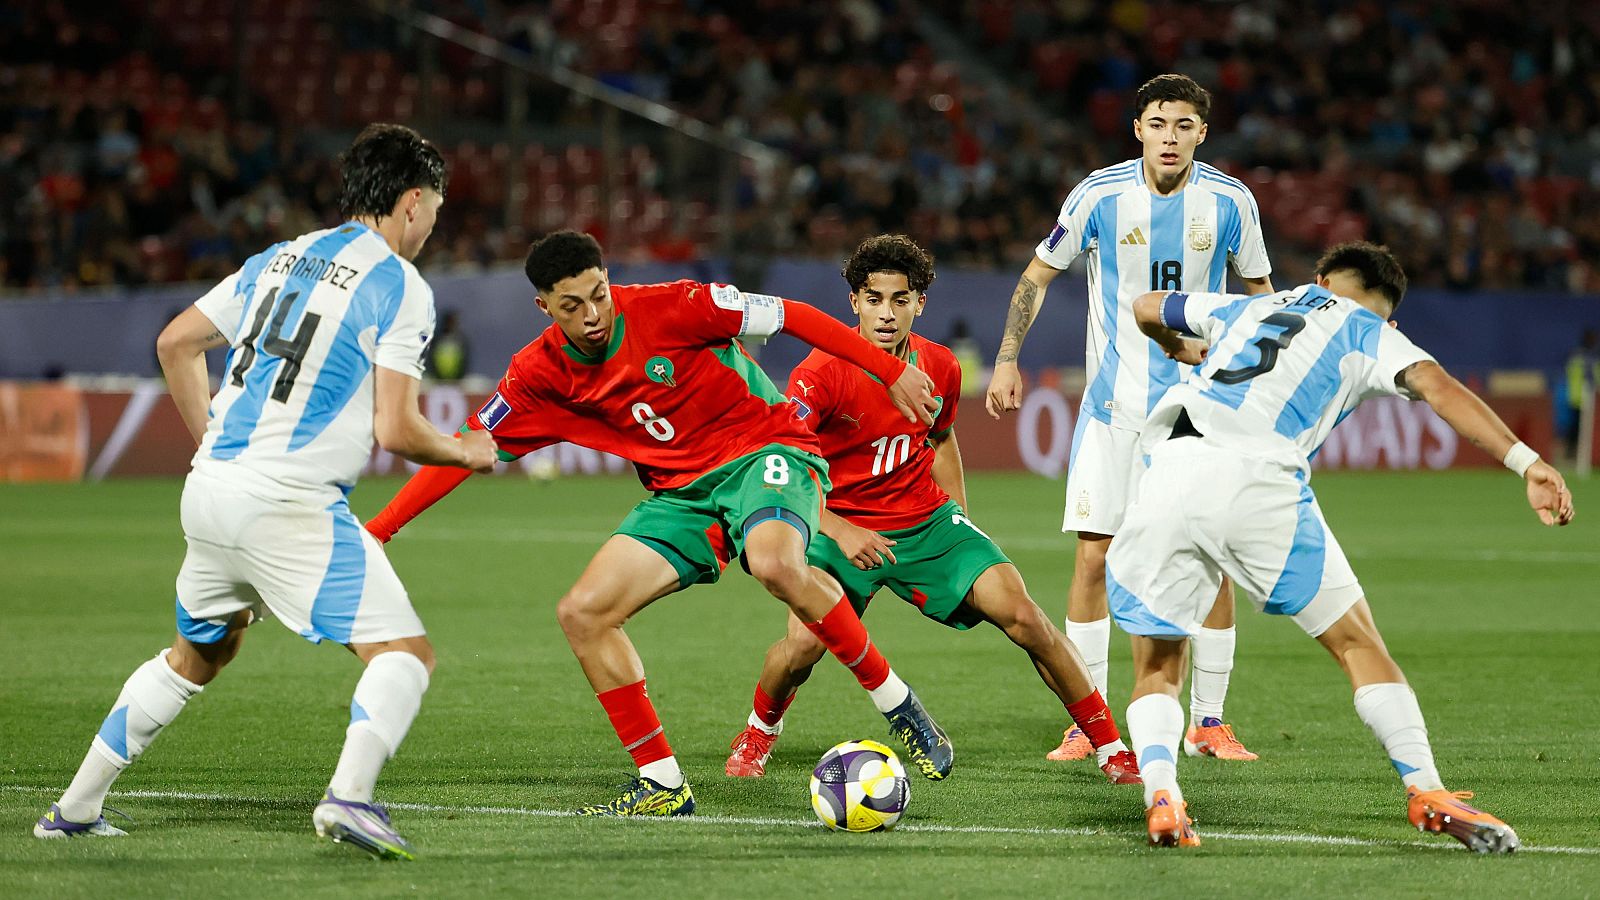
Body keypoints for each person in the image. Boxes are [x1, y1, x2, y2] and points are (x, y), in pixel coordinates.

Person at [364, 231, 954, 814]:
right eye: (572, 306)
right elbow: (464, 449)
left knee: (775, 563)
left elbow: (793, 315)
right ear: (544, 307)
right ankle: (663, 784)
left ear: (608, 280)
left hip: (764, 451)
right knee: (583, 613)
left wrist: (887, 369)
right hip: (681, 495)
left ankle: (898, 704)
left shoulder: (678, 305)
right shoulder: (539, 373)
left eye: (599, 294)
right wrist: (379, 531)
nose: (593, 315)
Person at [33, 124, 498, 860]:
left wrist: (212, 441)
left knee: (197, 655)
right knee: (405, 655)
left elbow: (175, 343)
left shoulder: (278, 257)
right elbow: (398, 429)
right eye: (434, 212)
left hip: (211, 492)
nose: (431, 228)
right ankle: (349, 797)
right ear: (413, 201)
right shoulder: (398, 284)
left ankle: (74, 809)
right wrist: (465, 449)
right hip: (289, 503)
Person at [1111, 241, 1573, 849]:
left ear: (1322, 278)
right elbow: (1437, 386)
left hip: (1166, 472)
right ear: (1388, 314)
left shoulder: (1250, 307)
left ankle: (1162, 795)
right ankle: (1427, 789)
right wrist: (1528, 462)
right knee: (1358, 643)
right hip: (1255, 477)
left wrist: (1178, 348)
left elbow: (1145, 306)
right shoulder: (1369, 331)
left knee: (1158, 663)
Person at [724, 235, 1140, 785]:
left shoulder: (940, 365)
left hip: (925, 521)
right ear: (854, 302)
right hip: (839, 525)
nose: (886, 313)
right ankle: (758, 733)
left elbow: (941, 438)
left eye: (900, 300)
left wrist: (961, 520)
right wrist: (837, 529)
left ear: (920, 303)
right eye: (874, 299)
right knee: (802, 646)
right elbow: (780, 467)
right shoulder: (819, 374)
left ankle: (1111, 747)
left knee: (1024, 614)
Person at [985, 74, 1274, 764]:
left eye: (1184, 125)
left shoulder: (1231, 201)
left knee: (1210, 558)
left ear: (1202, 133)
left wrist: (1262, 380)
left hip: (1197, 412)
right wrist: (1006, 359)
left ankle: (1208, 723)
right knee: (1094, 559)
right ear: (1138, 129)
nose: (1170, 137)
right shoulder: (1098, 195)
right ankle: (1089, 724)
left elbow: (1262, 295)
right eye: (1158, 123)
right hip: (1114, 409)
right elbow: (1035, 276)